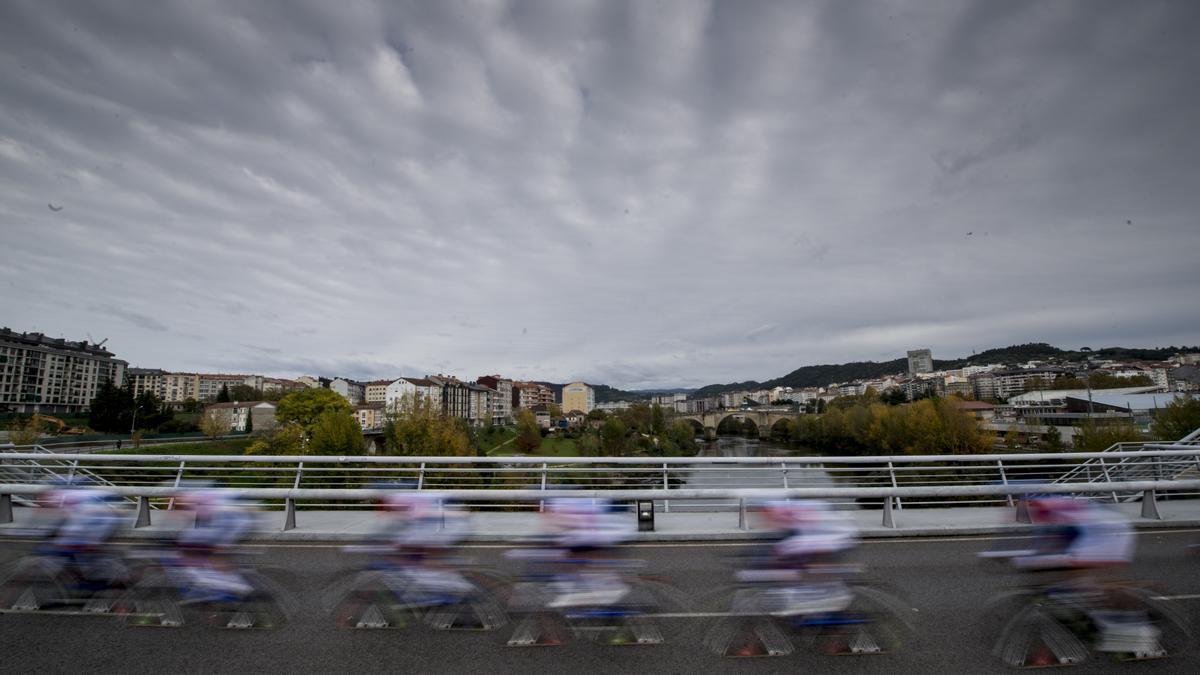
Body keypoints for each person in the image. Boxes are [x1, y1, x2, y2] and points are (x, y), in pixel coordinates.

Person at [1016, 497, 1157, 654]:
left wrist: (1026, 562)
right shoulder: (1047, 509)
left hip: (1108, 534)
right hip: (1098, 530)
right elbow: (1047, 545)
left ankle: (1131, 621)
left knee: (1083, 573)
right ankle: (1098, 606)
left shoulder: (1049, 513)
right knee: (1073, 574)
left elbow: (1053, 544)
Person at [753, 499, 858, 616]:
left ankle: (828, 594)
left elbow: (790, 543)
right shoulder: (785, 510)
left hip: (832, 535)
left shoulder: (780, 511)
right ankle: (819, 589)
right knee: (792, 561)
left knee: (797, 562)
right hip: (825, 532)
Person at [540, 497, 635, 608]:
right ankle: (600, 584)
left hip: (598, 525)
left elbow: (565, 524)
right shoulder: (561, 504)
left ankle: (609, 586)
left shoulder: (560, 504)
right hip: (595, 523)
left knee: (577, 553)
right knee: (573, 553)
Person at [173, 490, 259, 601]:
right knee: (212, 553)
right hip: (241, 517)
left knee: (191, 549)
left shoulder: (192, 499)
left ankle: (224, 584)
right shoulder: (200, 496)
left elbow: (191, 522)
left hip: (232, 520)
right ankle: (233, 583)